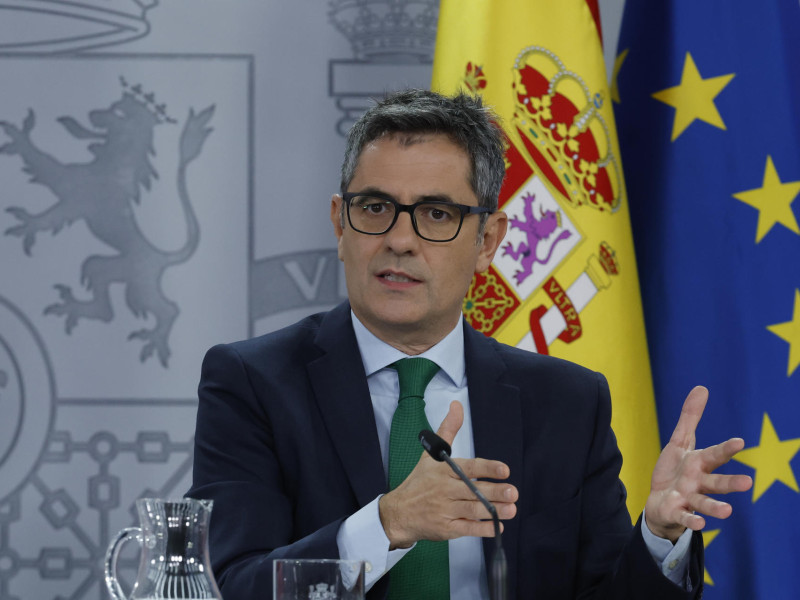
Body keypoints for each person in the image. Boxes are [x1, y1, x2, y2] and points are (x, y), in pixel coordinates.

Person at [188, 90, 752, 599]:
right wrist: (387, 523)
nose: (400, 240)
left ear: (488, 241)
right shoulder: (252, 382)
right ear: (341, 225)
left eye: (437, 214)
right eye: (375, 208)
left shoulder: (567, 403)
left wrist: (658, 535)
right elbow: (229, 586)